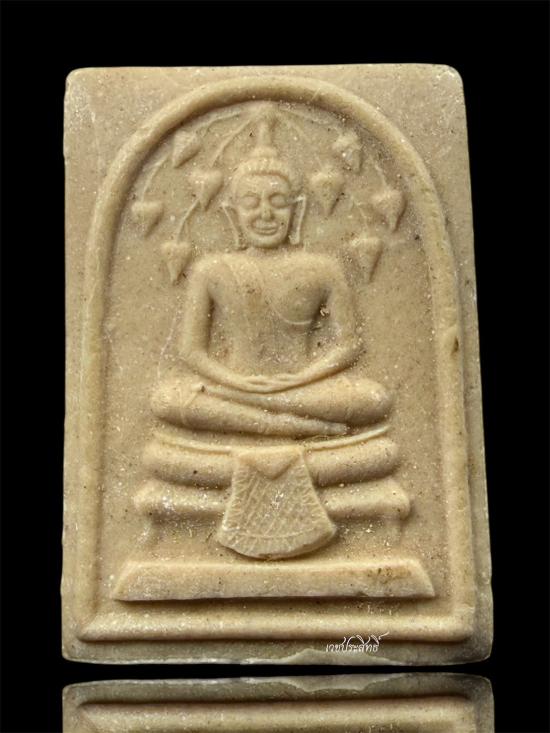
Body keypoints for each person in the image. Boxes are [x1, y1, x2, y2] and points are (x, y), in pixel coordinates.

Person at [152, 120, 392, 440]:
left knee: (374, 399)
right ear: (233, 213)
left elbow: (349, 345)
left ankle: (256, 414)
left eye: (278, 202)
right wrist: (237, 383)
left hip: (301, 388)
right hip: (234, 386)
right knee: (165, 399)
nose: (265, 214)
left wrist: (298, 380)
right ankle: (287, 426)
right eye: (251, 203)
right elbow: (191, 352)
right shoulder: (210, 270)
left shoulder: (323, 268)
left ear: (297, 210)